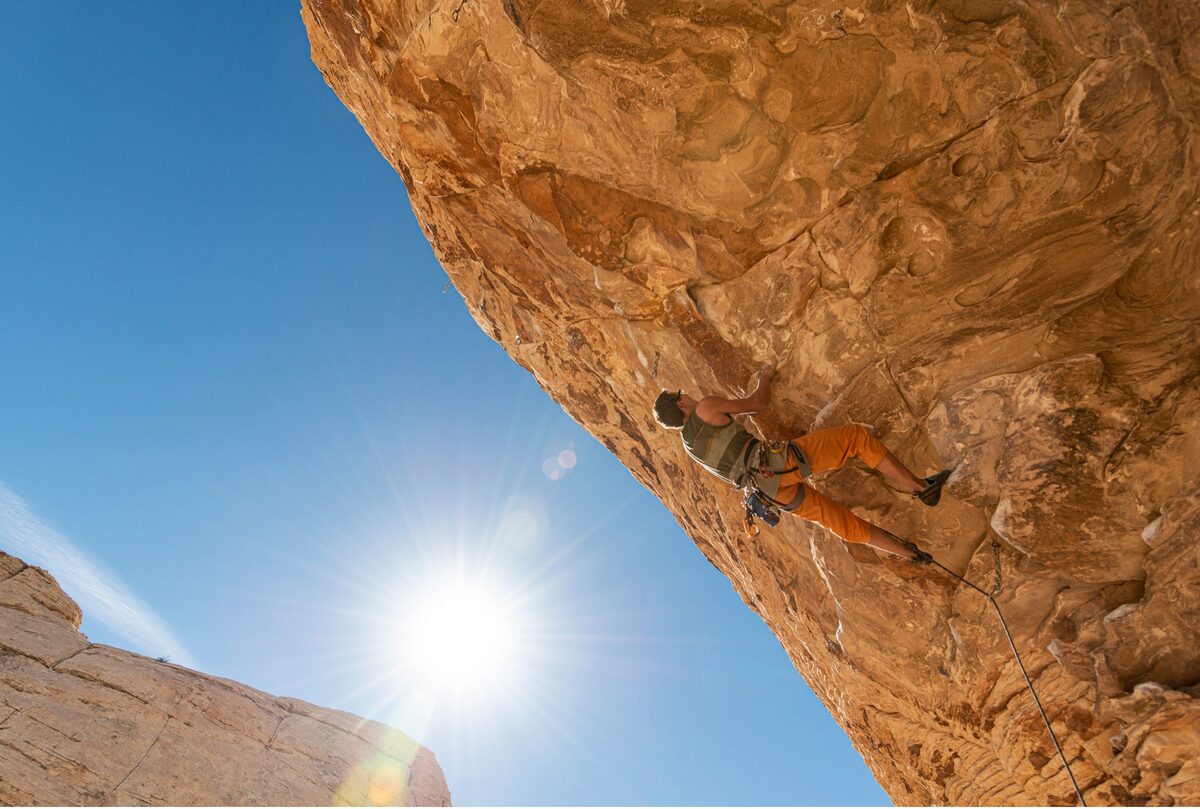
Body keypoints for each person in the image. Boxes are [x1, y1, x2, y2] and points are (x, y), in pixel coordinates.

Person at [652, 367, 950, 564]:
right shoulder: (704, 407)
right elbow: (758, 403)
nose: (686, 394)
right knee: (855, 439)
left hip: (768, 494)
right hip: (776, 465)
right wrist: (764, 378)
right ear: (680, 403)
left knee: (837, 521)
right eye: (681, 394)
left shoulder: (690, 447)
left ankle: (910, 555)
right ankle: (923, 488)